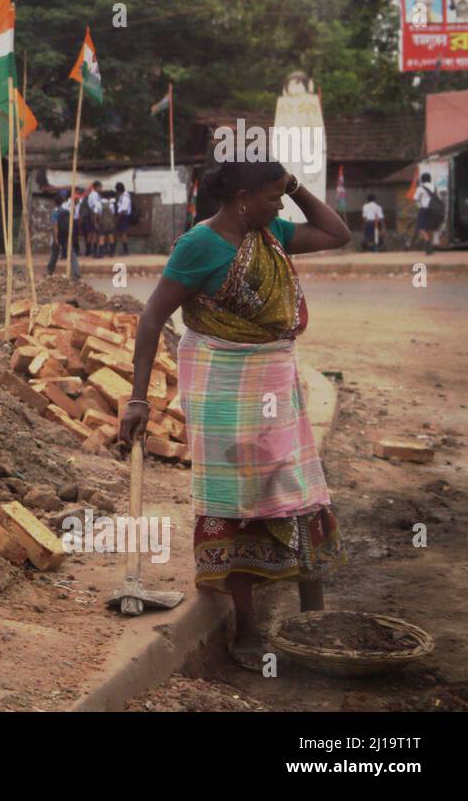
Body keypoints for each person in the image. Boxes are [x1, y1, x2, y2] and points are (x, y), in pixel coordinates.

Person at [119, 161, 351, 671]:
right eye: (272, 197)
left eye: (282, 196)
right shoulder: (198, 246)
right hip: (222, 384)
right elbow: (153, 316)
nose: (281, 205)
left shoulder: (271, 232)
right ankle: (247, 627)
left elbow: (338, 232)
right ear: (242, 197)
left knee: (298, 492)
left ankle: (313, 624)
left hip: (275, 379)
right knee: (238, 502)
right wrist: (139, 398)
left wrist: (294, 185)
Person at [44, 190, 81, 279]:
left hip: (58, 236)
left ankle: (50, 271)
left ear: (54, 202)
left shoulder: (55, 212)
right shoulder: (66, 211)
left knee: (54, 254)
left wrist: (56, 238)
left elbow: (55, 225)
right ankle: (76, 272)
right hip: (66, 235)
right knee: (71, 254)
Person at [414, 173, 437, 254]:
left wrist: (419, 205)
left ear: (422, 179)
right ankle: (429, 246)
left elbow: (415, 198)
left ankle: (428, 244)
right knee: (429, 228)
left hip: (424, 209)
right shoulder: (434, 187)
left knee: (420, 227)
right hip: (433, 210)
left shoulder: (420, 188)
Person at [114, 181, 133, 255]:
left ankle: (125, 250)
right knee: (121, 233)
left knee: (123, 233)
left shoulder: (125, 197)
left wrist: (118, 218)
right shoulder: (122, 196)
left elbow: (124, 209)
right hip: (122, 215)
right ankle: (124, 249)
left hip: (124, 216)